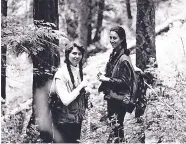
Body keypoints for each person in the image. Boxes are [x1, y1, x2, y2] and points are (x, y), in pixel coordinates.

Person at [97, 26, 137, 143]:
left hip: (119, 100)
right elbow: (113, 74)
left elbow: (125, 82)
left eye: (115, 38)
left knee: (117, 129)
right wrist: (104, 75)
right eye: (110, 37)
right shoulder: (114, 54)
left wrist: (107, 80)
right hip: (113, 97)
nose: (112, 40)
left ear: (122, 39)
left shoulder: (124, 58)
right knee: (114, 129)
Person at [49, 42, 89, 143]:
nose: (77, 56)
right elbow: (66, 100)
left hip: (75, 119)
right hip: (62, 120)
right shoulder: (61, 74)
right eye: (74, 53)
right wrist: (80, 86)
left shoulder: (78, 70)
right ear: (67, 54)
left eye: (80, 54)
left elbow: (77, 92)